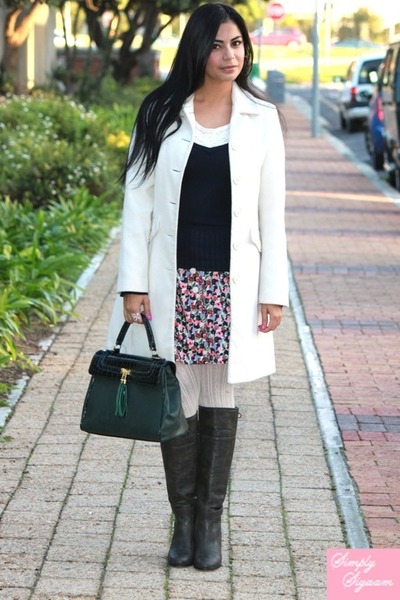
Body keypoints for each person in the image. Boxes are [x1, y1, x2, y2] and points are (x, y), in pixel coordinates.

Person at [107, 2, 288, 571]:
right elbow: (137, 203)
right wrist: (133, 284)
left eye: (237, 44)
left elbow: (273, 212)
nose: (230, 55)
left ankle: (210, 522)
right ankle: (182, 521)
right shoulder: (160, 112)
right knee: (177, 396)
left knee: (219, 396)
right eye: (217, 45)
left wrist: (273, 290)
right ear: (197, 49)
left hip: (233, 282)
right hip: (173, 278)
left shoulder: (262, 117)